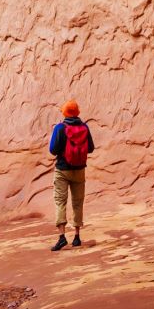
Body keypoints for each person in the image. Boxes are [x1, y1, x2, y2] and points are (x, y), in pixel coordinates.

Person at [48, 99, 94, 250]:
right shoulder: (84, 127)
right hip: (79, 170)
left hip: (62, 170)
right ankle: (77, 237)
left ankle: (62, 237)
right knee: (77, 202)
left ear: (65, 112)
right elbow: (91, 148)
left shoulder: (60, 128)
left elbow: (53, 150)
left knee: (60, 201)